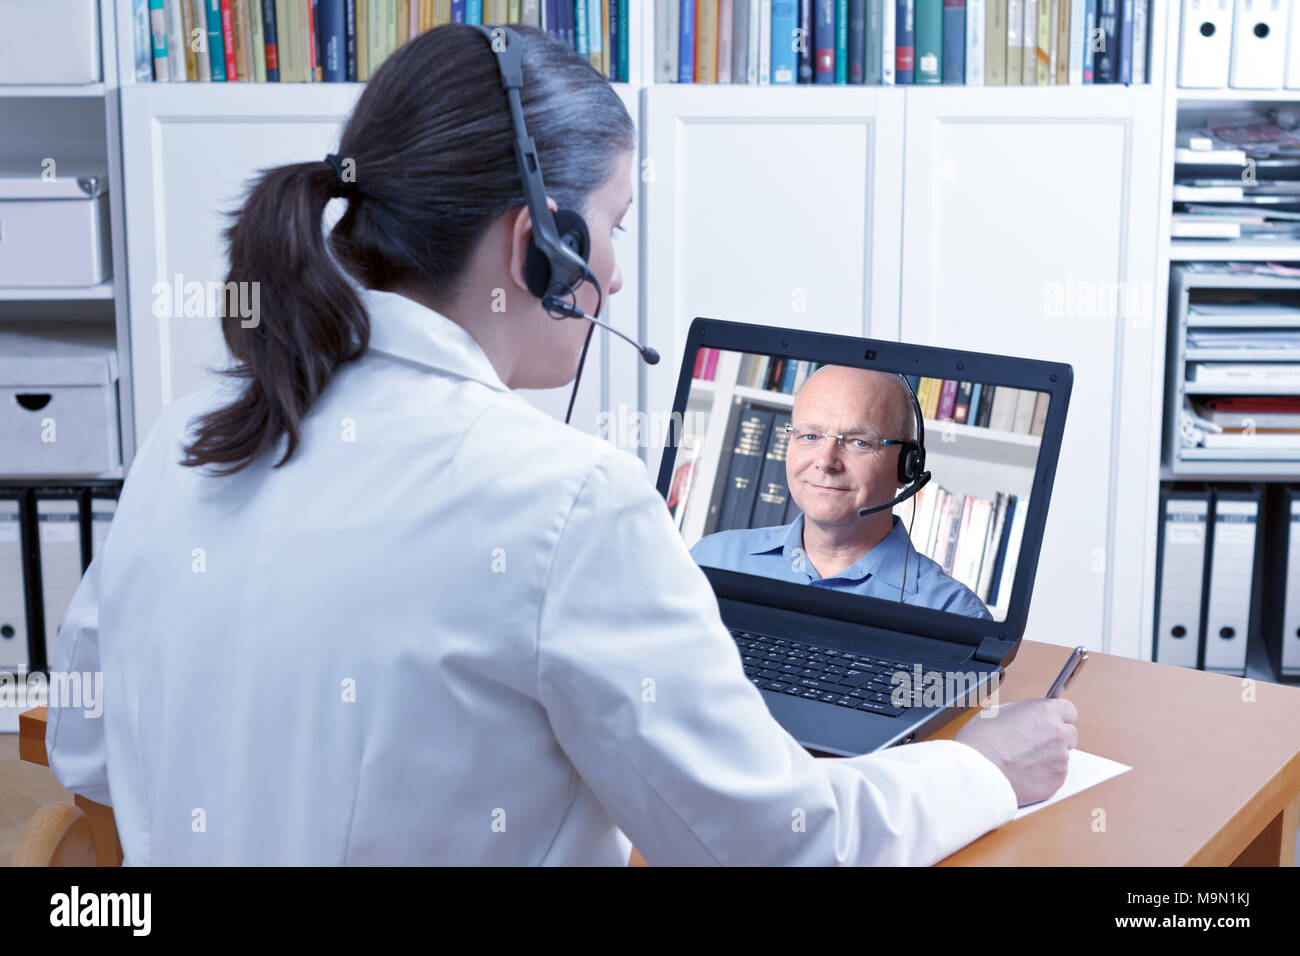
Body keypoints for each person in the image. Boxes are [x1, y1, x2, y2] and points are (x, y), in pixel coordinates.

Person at [44, 24, 1075, 866]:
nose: (615, 275)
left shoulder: (188, 437)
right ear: (536, 242)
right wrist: (982, 767)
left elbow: (86, 751)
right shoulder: (565, 499)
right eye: (612, 223)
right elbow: (775, 844)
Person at [691, 365, 992, 619]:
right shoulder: (712, 560)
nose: (825, 462)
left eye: (859, 442)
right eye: (810, 436)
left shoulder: (952, 612)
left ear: (907, 466)